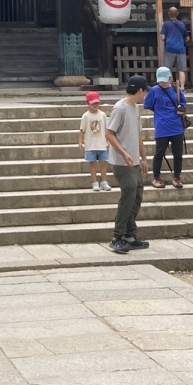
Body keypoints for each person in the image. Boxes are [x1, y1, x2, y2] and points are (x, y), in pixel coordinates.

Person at [105, 74, 149, 254]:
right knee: (128, 196)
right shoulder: (120, 108)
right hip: (122, 162)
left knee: (136, 196)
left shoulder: (135, 108)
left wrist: (143, 158)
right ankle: (117, 236)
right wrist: (123, 152)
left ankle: (131, 235)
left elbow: (138, 135)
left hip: (134, 160)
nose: (145, 95)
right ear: (140, 90)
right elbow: (109, 133)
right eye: (145, 91)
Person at [144, 65, 186, 189]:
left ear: (170, 78)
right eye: (160, 81)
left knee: (178, 154)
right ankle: (156, 177)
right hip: (162, 126)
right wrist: (159, 111)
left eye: (164, 80)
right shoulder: (153, 91)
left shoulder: (176, 89)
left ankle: (177, 177)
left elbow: (183, 103)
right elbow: (147, 104)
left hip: (177, 126)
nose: (162, 83)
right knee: (159, 153)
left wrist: (181, 109)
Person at [78, 91, 111, 190]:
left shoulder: (102, 115)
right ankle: (94, 182)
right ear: (88, 103)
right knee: (92, 164)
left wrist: (108, 140)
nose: (95, 105)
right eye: (93, 103)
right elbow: (82, 130)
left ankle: (104, 181)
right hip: (90, 144)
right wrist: (80, 141)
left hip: (101, 144)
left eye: (97, 103)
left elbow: (106, 129)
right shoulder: (85, 116)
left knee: (103, 163)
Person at [160, 4, 189, 88]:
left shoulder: (166, 24)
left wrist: (168, 40)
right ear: (177, 14)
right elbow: (187, 38)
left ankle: (170, 86)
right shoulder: (182, 24)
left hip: (169, 48)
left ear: (168, 14)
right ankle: (182, 87)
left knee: (168, 69)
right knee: (181, 70)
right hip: (180, 49)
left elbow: (162, 37)